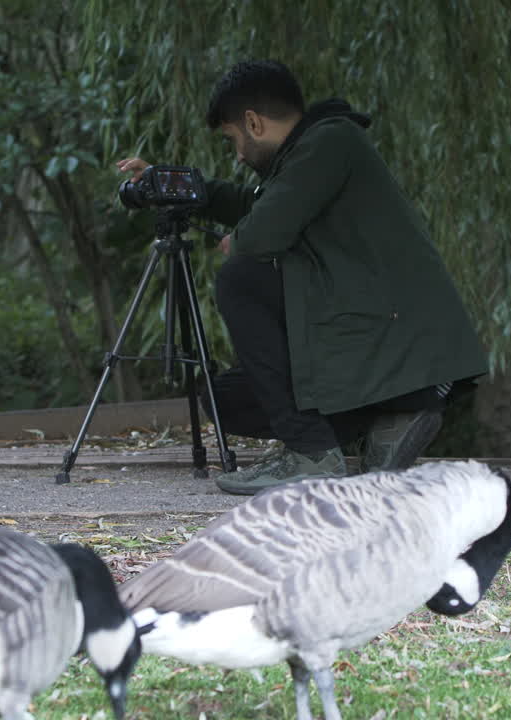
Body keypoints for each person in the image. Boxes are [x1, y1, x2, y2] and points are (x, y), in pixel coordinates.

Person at [117, 59, 487, 495]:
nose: (238, 155)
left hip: (392, 340)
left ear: (254, 122)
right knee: (227, 398)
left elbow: (260, 235)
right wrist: (179, 189)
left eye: (233, 139)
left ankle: (311, 452)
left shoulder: (332, 140)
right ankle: (387, 422)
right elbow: (258, 203)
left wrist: (241, 238)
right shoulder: (308, 155)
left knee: (242, 279)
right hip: (368, 338)